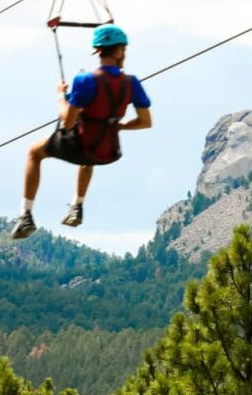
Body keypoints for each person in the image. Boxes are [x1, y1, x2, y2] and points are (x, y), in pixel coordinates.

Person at [11, 24, 152, 239]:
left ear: (99, 51)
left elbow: (67, 123)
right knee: (90, 151)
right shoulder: (131, 83)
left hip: (81, 145)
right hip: (107, 149)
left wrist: (61, 96)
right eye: (123, 49)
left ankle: (25, 215)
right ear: (116, 51)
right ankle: (77, 205)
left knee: (34, 152)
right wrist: (119, 126)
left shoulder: (85, 80)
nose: (124, 54)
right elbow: (145, 122)